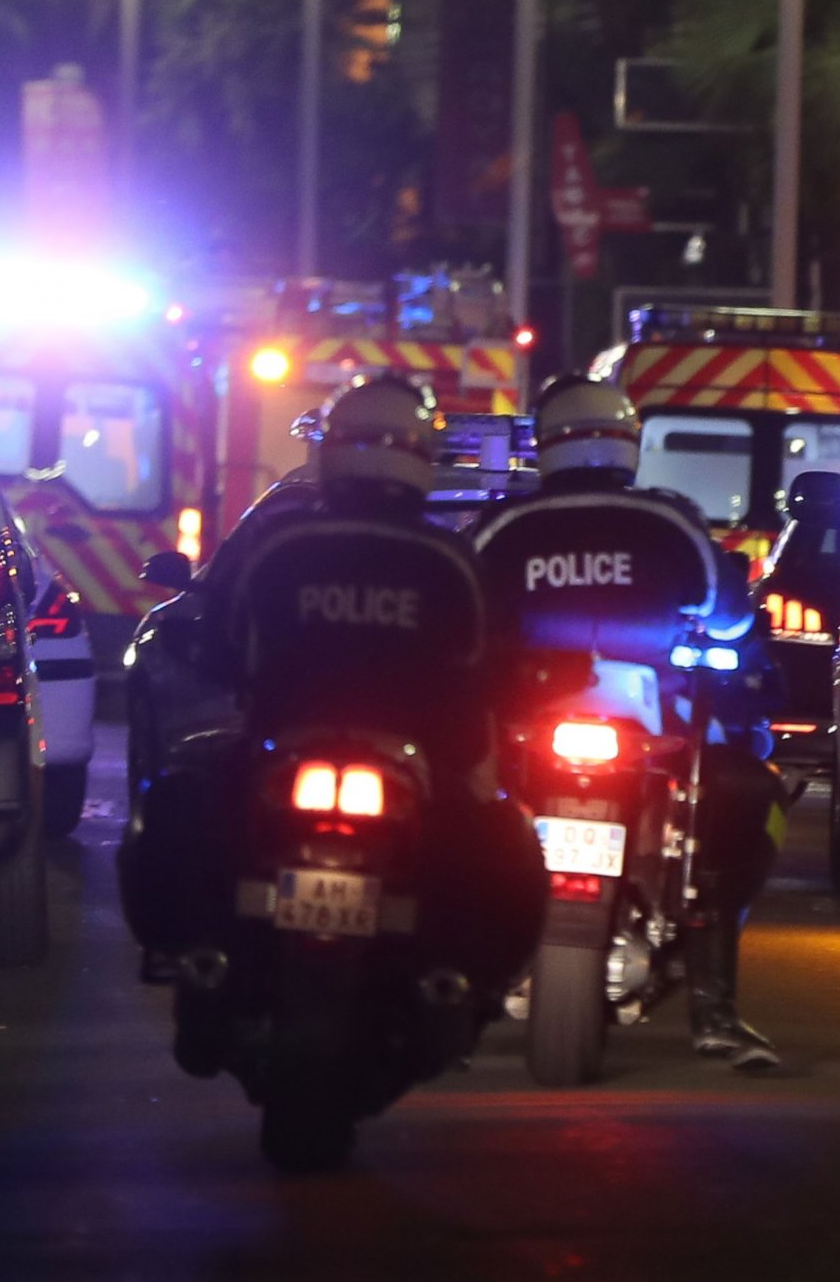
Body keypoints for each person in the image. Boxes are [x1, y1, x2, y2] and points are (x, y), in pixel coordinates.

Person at [118, 375, 544, 1061]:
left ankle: (189, 956)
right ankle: (463, 980)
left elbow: (221, 637)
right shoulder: (447, 559)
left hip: (280, 748)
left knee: (178, 806)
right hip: (411, 764)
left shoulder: (283, 545)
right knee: (502, 843)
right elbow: (491, 662)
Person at [474, 377, 786, 1071]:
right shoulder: (668, 519)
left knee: (466, 808)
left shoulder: (504, 525)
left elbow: (462, 614)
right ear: (628, 442)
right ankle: (716, 1011)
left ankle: (456, 991)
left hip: (527, 723)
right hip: (648, 718)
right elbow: (729, 616)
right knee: (743, 801)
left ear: (546, 443)